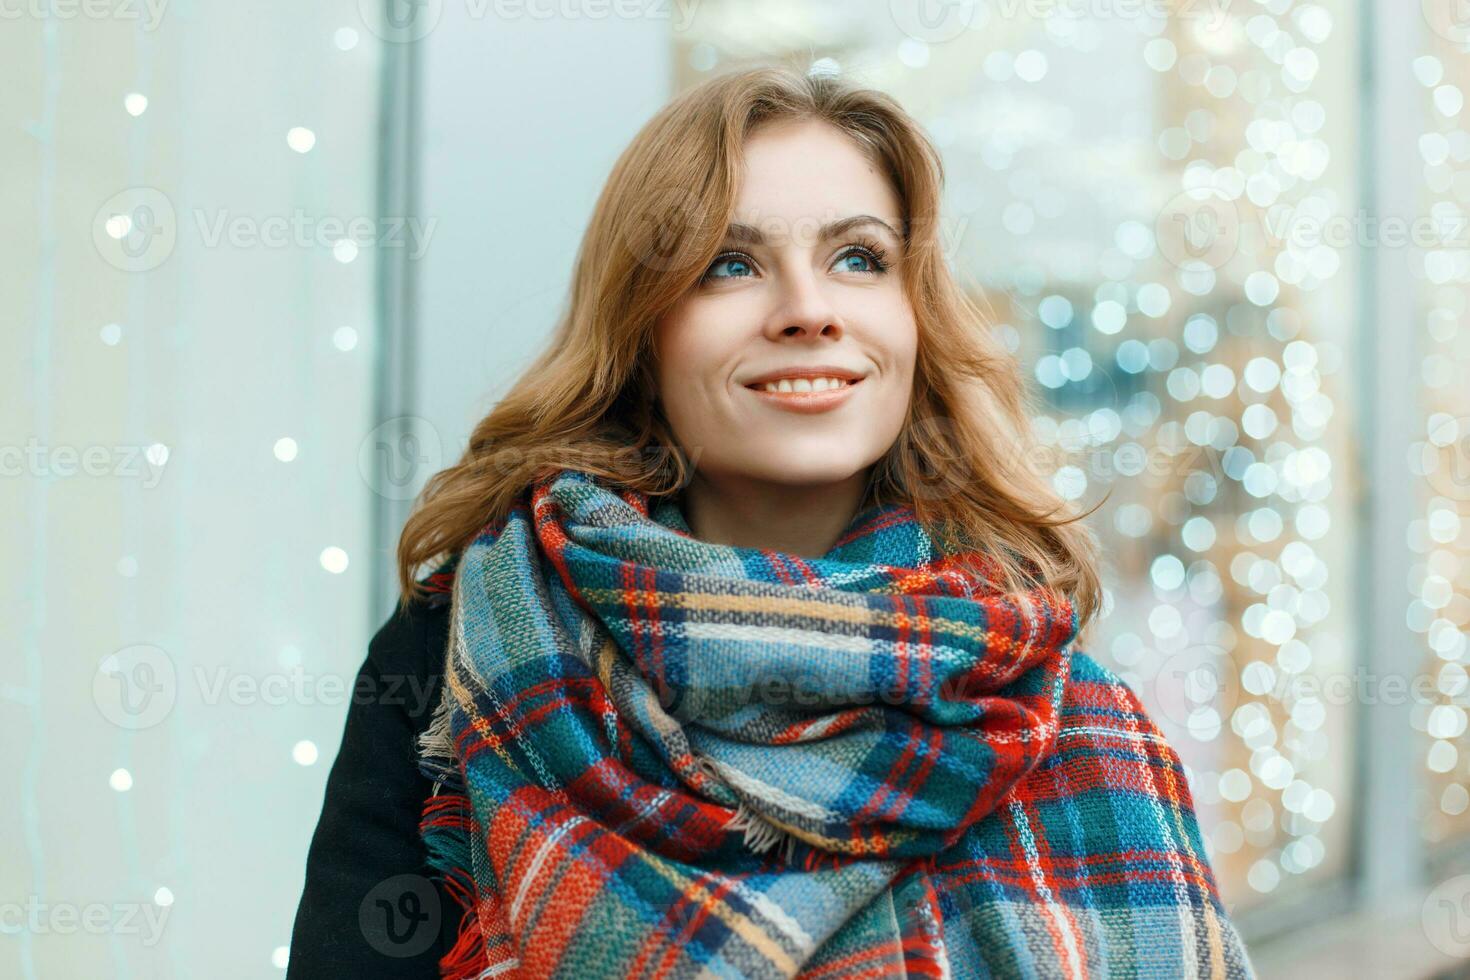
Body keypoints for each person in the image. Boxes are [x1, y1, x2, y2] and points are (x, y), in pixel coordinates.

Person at [288, 62, 1256, 979]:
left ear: (914, 317)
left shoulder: (1043, 696)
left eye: (857, 257)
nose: (808, 309)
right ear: (644, 327)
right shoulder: (476, 641)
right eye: (730, 263)